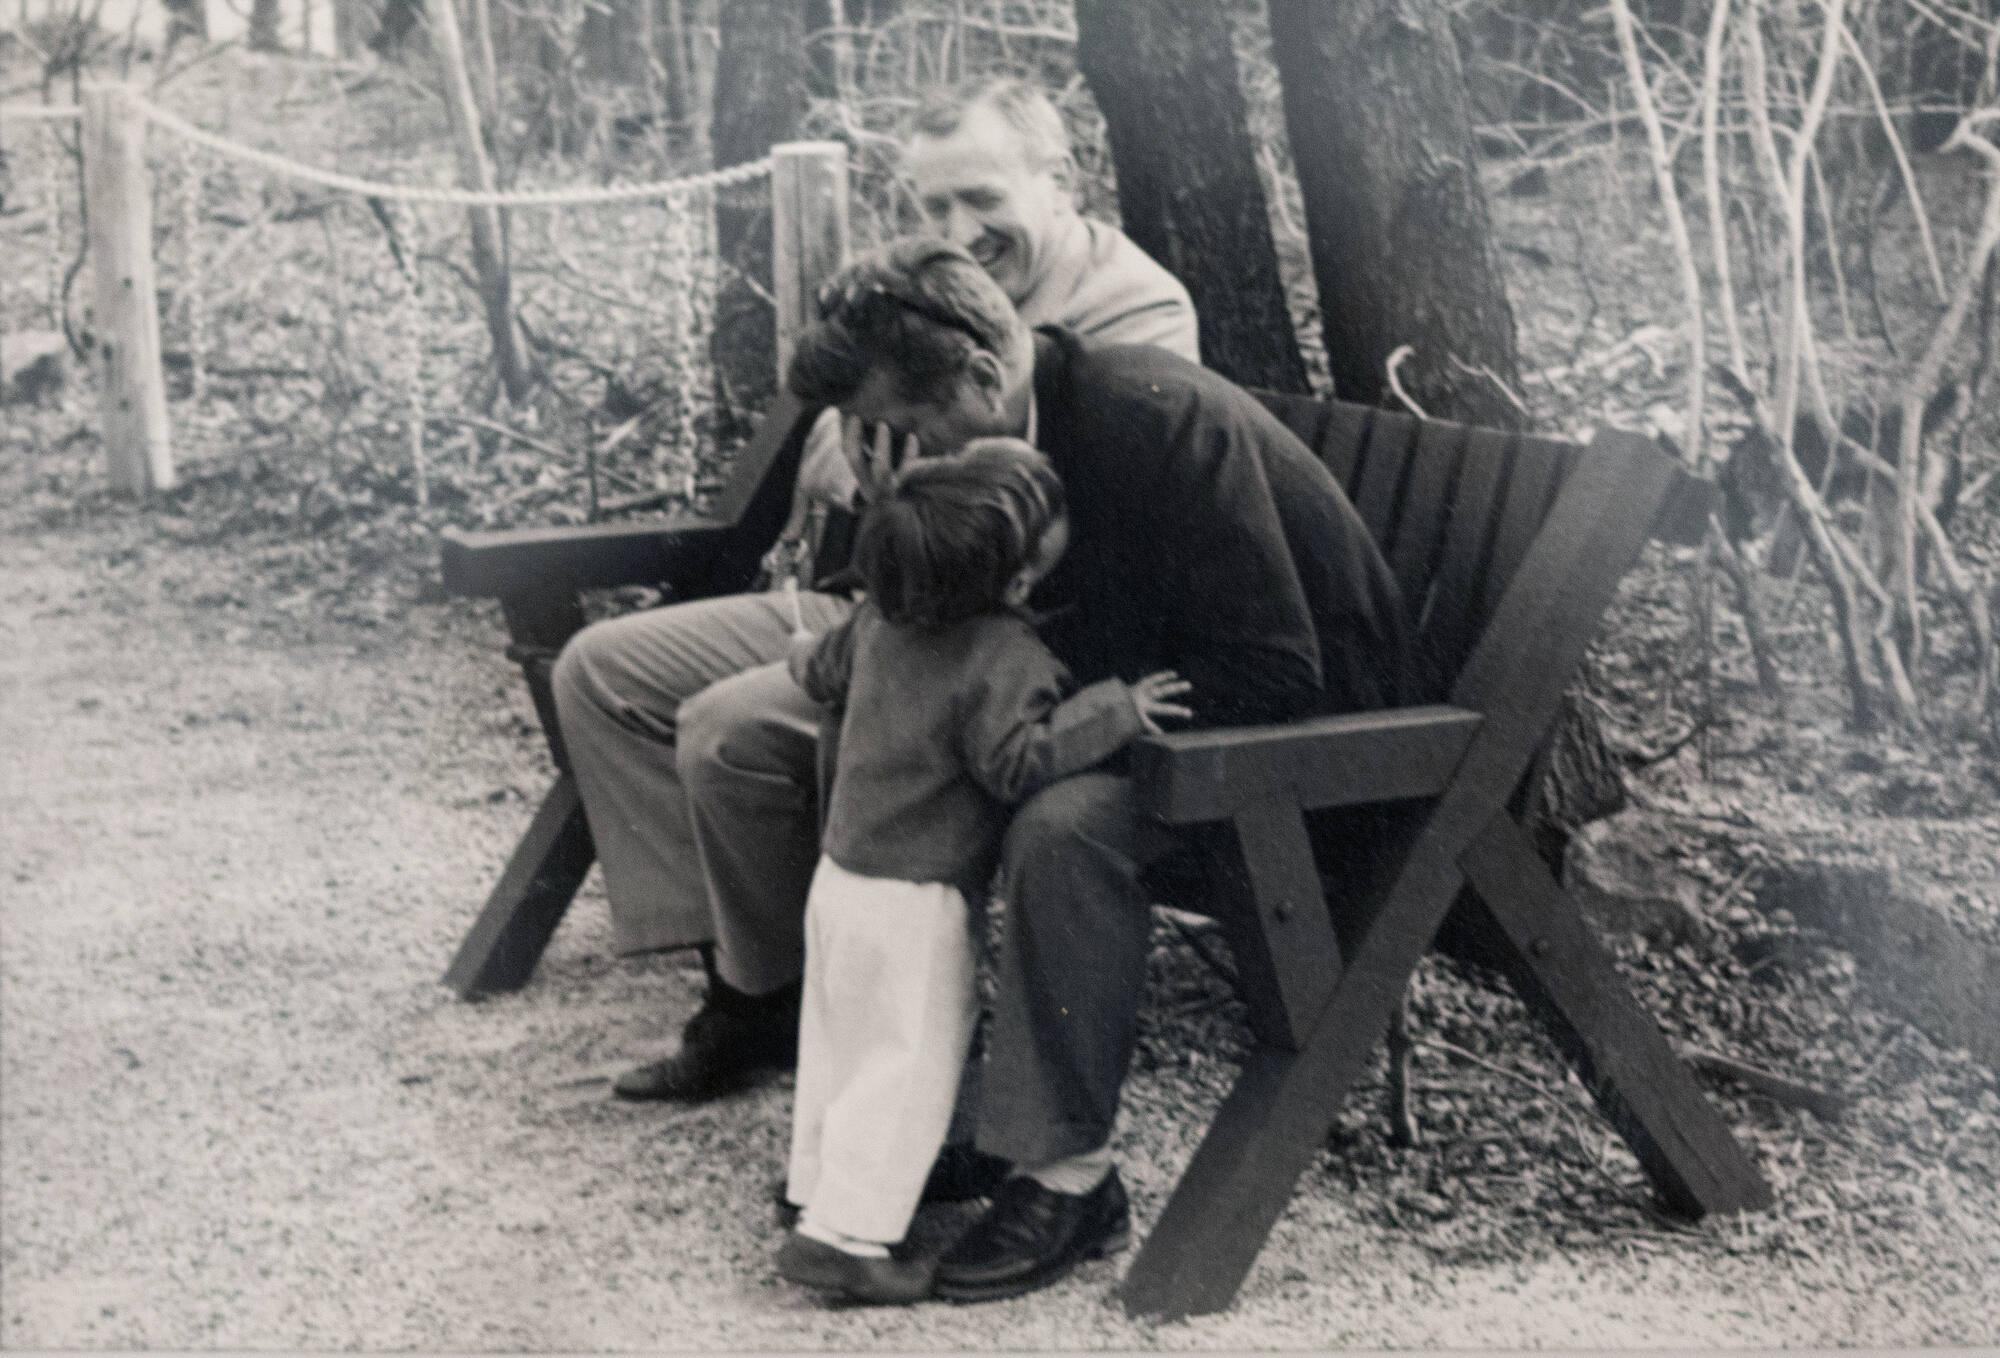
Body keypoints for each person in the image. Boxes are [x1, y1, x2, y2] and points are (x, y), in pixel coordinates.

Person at [745, 238, 1411, 1303]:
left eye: (913, 426)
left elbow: (1272, 665)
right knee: (895, 746)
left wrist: (1080, 715)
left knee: (1062, 822)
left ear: (978, 375)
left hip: (1317, 736)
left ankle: (1070, 1174)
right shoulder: (1017, 421)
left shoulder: (1150, 420)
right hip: (1156, 686)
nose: (904, 449)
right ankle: (935, 1120)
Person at [551, 76, 1198, 1100]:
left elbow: (1076, 524)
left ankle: (771, 992)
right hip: (879, 604)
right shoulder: (922, 289)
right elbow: (848, 420)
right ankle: (753, 972)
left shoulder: (1135, 311)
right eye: (931, 206)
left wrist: (912, 485)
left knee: (726, 728)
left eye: (982, 197)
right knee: (602, 669)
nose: (959, 230)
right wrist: (842, 443)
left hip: (997, 636)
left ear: (1060, 181)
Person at [772, 439, 1191, 1305]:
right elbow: (1016, 764)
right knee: (909, 1055)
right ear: (1019, 584)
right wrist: (1117, 709)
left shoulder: (878, 623)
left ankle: (817, 1189)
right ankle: (848, 1242)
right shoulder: (1004, 655)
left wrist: (797, 649)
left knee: (841, 1038)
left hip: (841, 878)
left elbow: (820, 671)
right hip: (918, 897)